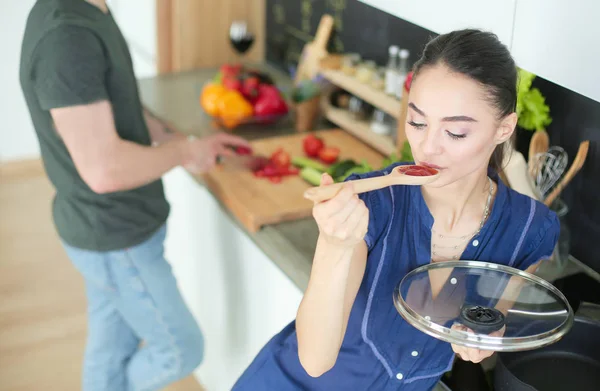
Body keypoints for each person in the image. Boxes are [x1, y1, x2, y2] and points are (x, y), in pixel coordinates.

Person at [232, 29, 560, 390]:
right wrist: (335, 246)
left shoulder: (531, 229)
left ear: (504, 129)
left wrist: (486, 336)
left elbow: (494, 321)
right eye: (417, 123)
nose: (427, 147)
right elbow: (313, 360)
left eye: (455, 133)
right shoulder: (373, 204)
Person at [18, 1, 250, 390]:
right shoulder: (67, 36)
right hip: (114, 236)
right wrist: (185, 152)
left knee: (110, 347)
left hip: (107, 230)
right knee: (180, 350)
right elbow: (104, 170)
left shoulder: (90, 10)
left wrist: (178, 140)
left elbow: (114, 106)